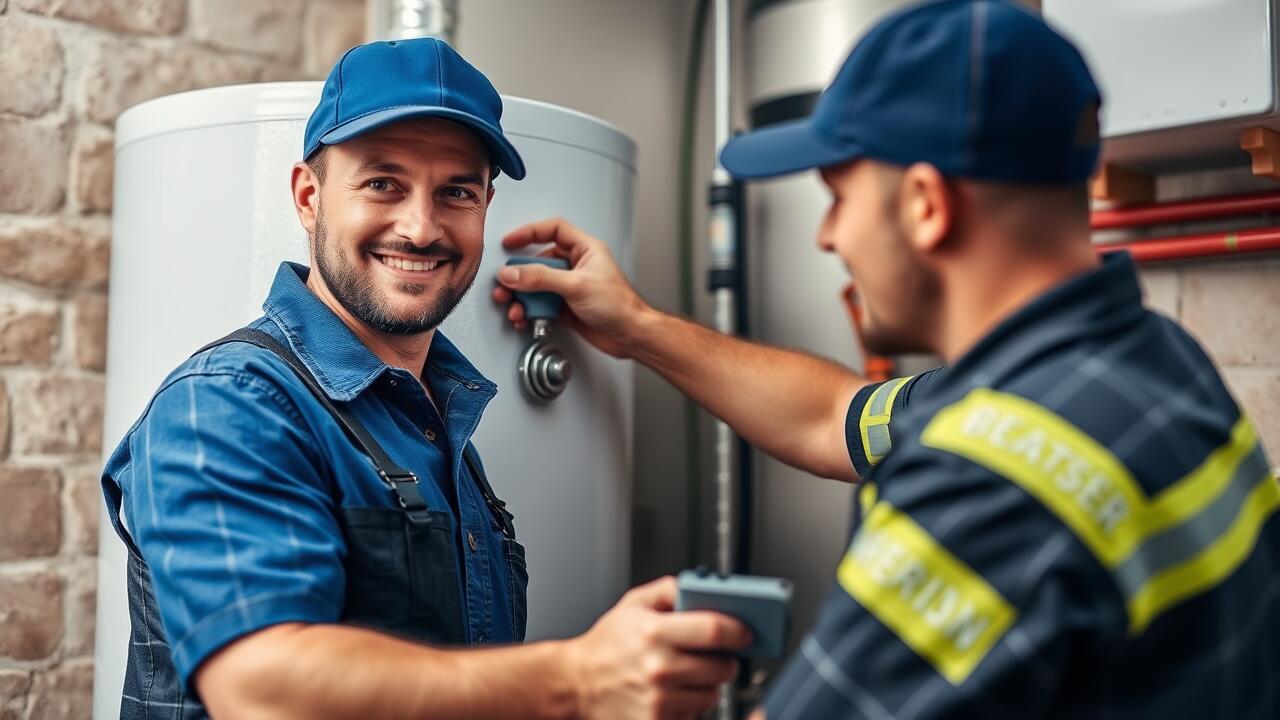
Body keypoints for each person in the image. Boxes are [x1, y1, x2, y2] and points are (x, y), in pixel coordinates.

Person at [494, 1, 1280, 717]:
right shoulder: (1153, 362)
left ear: (927, 207)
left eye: (838, 196)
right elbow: (828, 415)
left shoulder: (986, 484)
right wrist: (634, 326)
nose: (827, 236)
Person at [102, 37, 747, 720]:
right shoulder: (228, 402)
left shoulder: (439, 425)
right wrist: (580, 678)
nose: (420, 227)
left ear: (485, 207)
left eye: (456, 192)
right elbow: (262, 689)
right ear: (309, 196)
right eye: (383, 183)